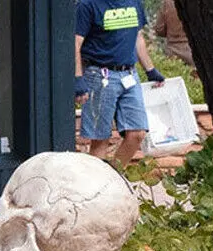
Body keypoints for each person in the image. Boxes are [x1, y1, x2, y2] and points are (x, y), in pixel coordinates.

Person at [75, 1, 166, 167]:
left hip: (130, 74)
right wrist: (78, 78)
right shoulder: (88, 5)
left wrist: (150, 70)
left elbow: (138, 37)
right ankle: (95, 181)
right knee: (100, 140)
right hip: (99, 75)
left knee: (137, 133)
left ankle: (114, 175)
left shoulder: (134, 2)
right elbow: (76, 43)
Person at [153, 0, 195, 67]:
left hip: (172, 52)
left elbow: (159, 29)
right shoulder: (198, 4)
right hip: (192, 51)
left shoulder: (167, 2)